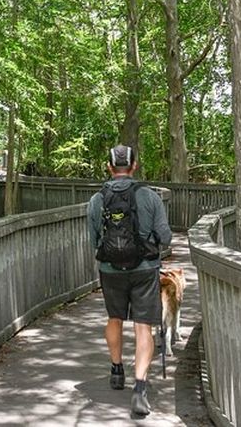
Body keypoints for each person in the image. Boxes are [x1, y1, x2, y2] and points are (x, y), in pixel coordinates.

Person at [86, 144, 172, 418]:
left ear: (110, 168)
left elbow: (94, 240)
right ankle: (140, 389)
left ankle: (116, 370)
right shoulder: (149, 196)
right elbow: (166, 237)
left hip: (111, 271)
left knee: (114, 318)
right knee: (143, 326)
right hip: (145, 269)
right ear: (134, 166)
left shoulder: (97, 200)